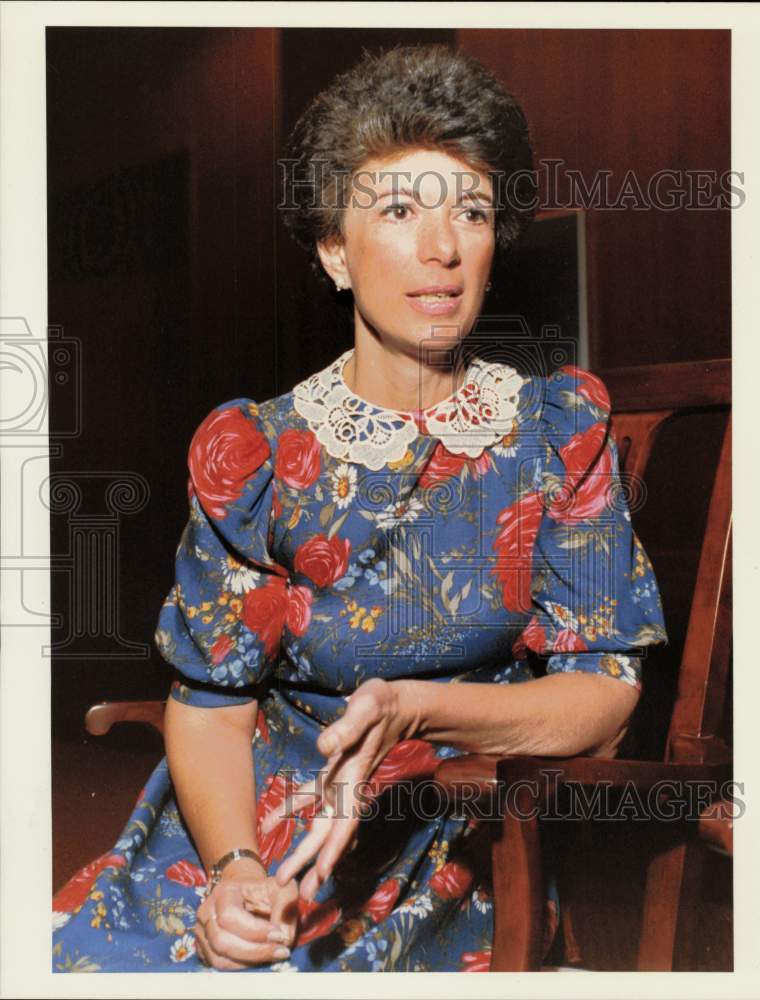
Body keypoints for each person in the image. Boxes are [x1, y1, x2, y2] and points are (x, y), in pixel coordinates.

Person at [52, 43, 666, 973]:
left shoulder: (556, 425)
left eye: (470, 211)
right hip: (246, 832)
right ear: (334, 250)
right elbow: (211, 707)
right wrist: (235, 873)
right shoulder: (253, 450)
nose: (442, 248)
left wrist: (415, 708)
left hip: (453, 833)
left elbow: (606, 695)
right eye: (396, 212)